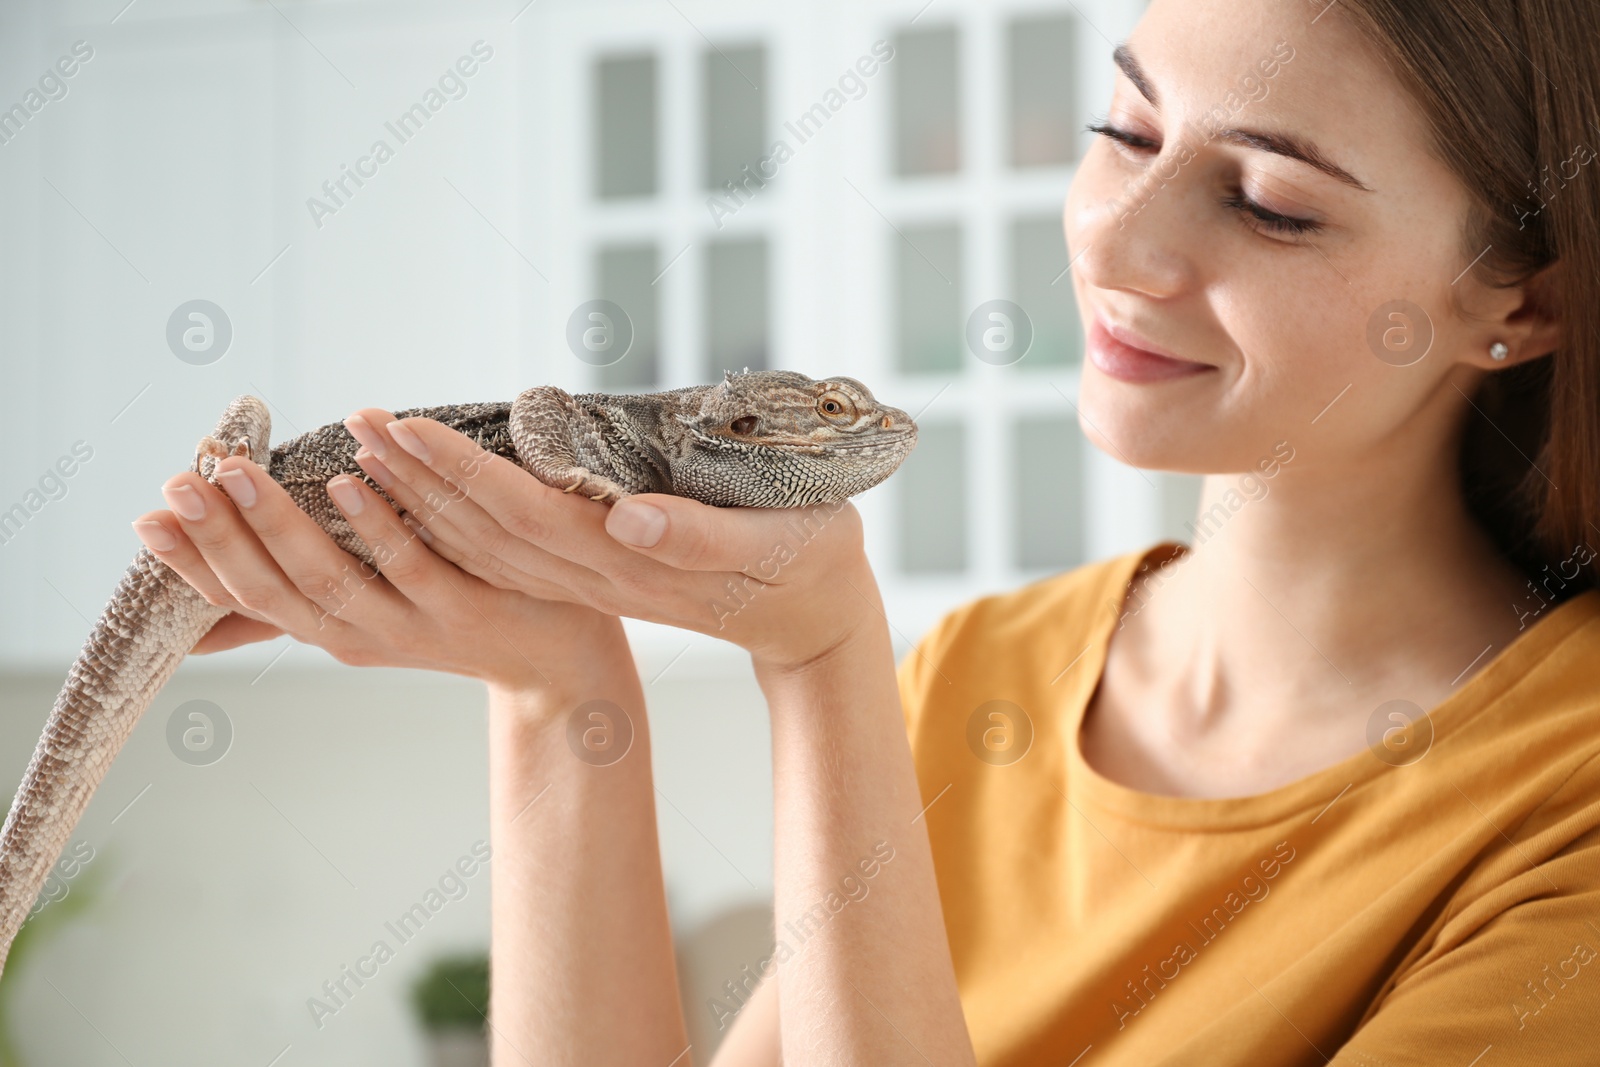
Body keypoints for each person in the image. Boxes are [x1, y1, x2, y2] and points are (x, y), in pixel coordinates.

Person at [130, 0, 1600, 1062]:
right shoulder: (984, 677)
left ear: (1520, 298)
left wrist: (823, 658)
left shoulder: (1565, 811)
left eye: (1271, 203)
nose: (1114, 236)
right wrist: (556, 687)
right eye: (1125, 129)